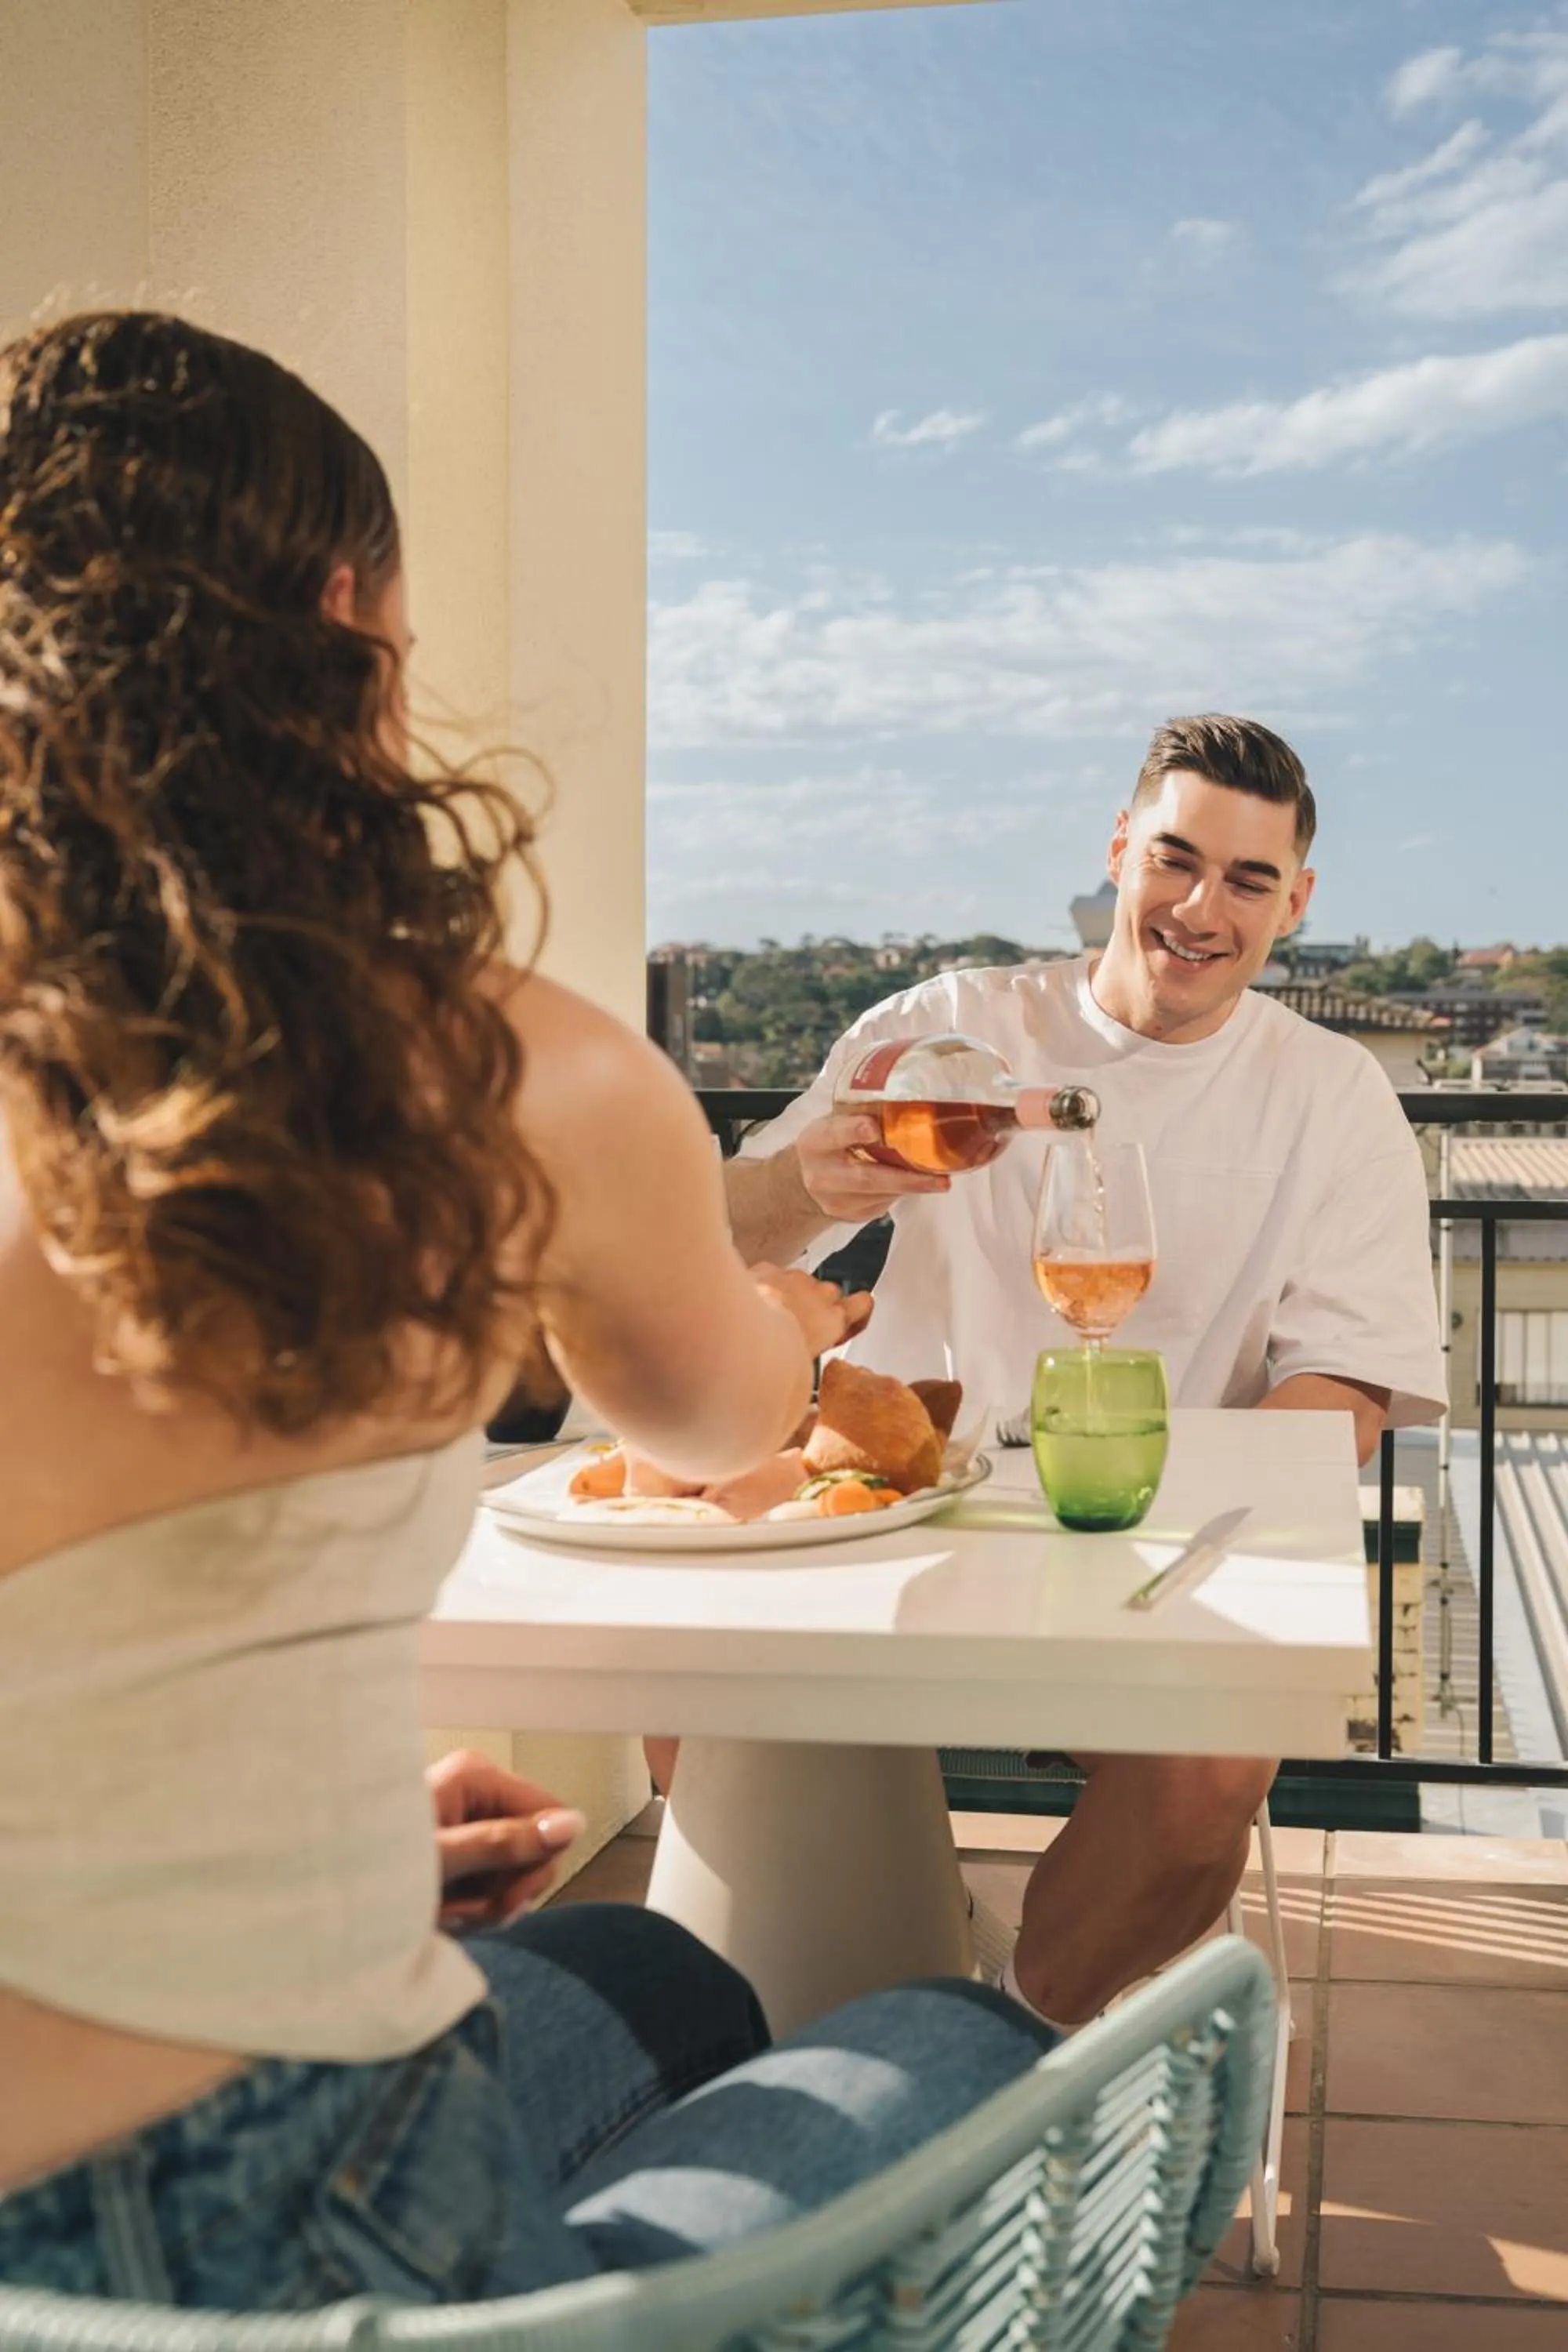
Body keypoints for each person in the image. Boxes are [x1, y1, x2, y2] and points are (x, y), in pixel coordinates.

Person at [0, 310, 1055, 2309]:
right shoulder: (501, 1071)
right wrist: (806, 1322)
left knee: (646, 1957)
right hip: (256, 2199)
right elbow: (720, 1428)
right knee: (967, 2042)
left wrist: (289, 1827)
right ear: (346, 632)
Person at [724, 714, 1446, 2031]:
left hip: (1147, 1560)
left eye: (1247, 879)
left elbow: (1347, 1387)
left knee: (1217, 1760)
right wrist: (799, 1184)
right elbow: (726, 1235)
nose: (1198, 907)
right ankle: (834, 1995)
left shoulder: (1334, 1096)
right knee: (711, 1703)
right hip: (897, 1534)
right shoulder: (953, 1029)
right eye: (1174, 859)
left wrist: (1158, 1530)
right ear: (1120, 849)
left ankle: (1006, 2034)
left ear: (1297, 901)